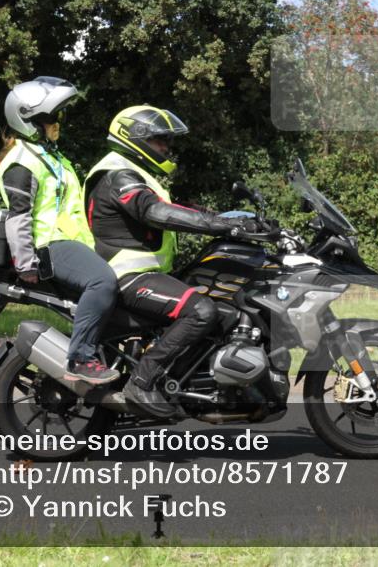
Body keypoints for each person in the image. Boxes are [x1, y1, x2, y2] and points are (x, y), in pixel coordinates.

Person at [83, 105, 258, 416]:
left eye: (167, 141)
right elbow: (156, 212)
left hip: (149, 272)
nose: (166, 147)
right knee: (201, 311)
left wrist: (232, 219)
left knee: (223, 307)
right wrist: (223, 225)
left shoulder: (135, 173)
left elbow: (175, 207)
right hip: (128, 276)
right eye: (159, 140)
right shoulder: (117, 174)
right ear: (133, 138)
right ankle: (141, 381)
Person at [0, 76, 119, 385]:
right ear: (28, 121)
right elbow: (18, 216)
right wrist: (26, 264)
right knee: (102, 281)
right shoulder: (22, 163)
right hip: (49, 246)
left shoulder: (51, 157)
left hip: (72, 244)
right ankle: (80, 359)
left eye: (58, 116)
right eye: (50, 117)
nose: (57, 122)